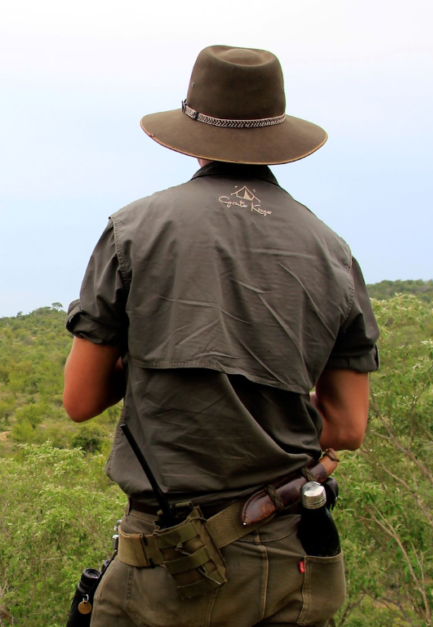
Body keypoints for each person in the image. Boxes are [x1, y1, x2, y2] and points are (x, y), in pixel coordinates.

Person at [62, 46, 379, 627]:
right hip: (290, 556)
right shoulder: (330, 250)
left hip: (165, 564)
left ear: (193, 129)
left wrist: (153, 352)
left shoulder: (134, 230)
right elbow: (348, 428)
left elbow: (80, 401)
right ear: (277, 132)